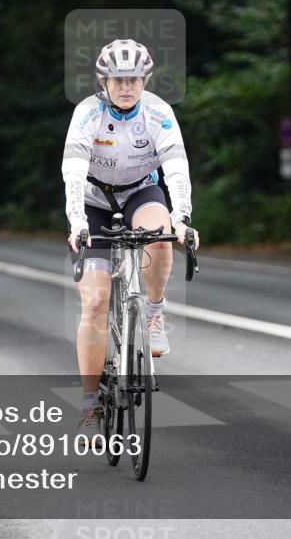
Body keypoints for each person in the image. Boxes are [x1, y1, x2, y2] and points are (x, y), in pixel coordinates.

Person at [62, 39, 199, 442]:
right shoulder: (87, 114)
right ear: (103, 81)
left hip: (141, 192)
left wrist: (183, 218)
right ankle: (90, 403)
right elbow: (72, 172)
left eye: (134, 79)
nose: (127, 87)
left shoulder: (159, 113)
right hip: (93, 201)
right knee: (95, 302)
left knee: (160, 236)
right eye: (118, 79)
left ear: (145, 81)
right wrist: (76, 223)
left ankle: (153, 313)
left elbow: (177, 169)